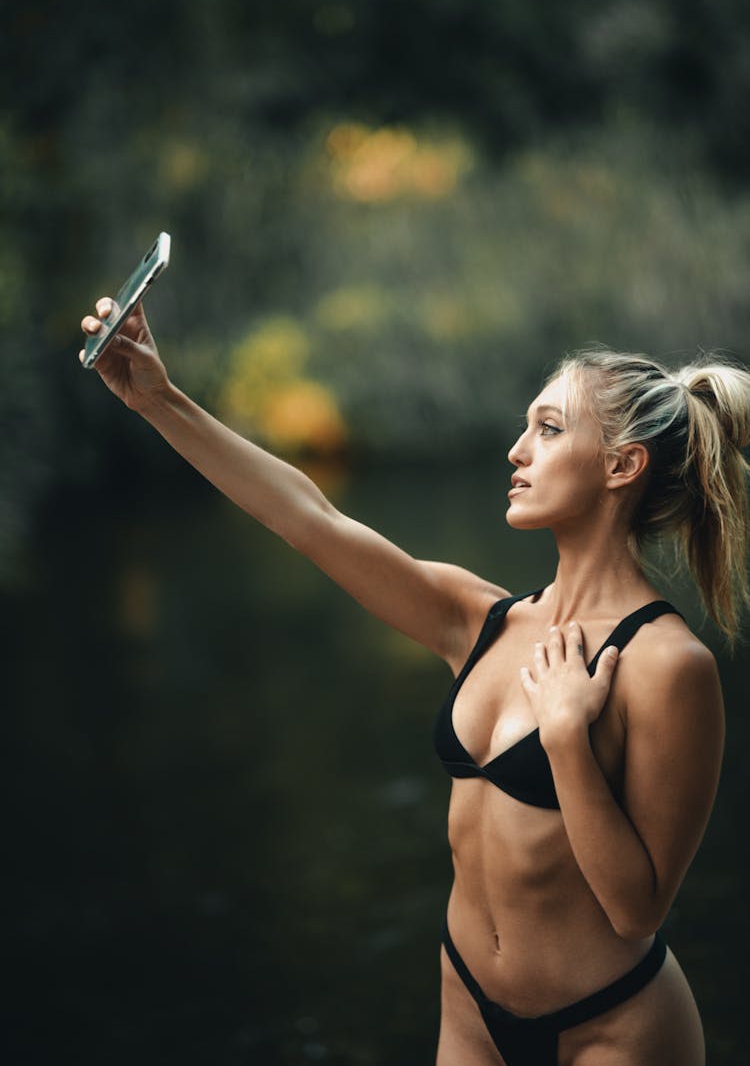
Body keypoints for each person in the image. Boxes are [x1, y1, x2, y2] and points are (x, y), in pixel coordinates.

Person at [80, 298, 750, 1065]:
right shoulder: (479, 619)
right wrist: (159, 399)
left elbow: (638, 908)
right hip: (467, 1005)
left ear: (621, 465)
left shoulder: (670, 666)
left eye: (548, 428)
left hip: (613, 1028)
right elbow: (310, 519)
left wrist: (567, 740)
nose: (516, 449)